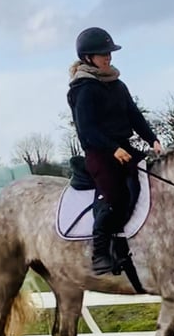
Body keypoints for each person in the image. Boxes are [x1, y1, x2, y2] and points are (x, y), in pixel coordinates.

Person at [67, 27, 162, 275]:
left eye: (109, 52)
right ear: (88, 57)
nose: (108, 57)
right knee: (116, 197)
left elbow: (134, 115)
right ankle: (100, 253)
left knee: (153, 182)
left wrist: (152, 139)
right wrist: (113, 149)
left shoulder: (117, 85)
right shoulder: (84, 88)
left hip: (124, 148)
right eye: (102, 54)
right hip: (99, 152)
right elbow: (87, 128)